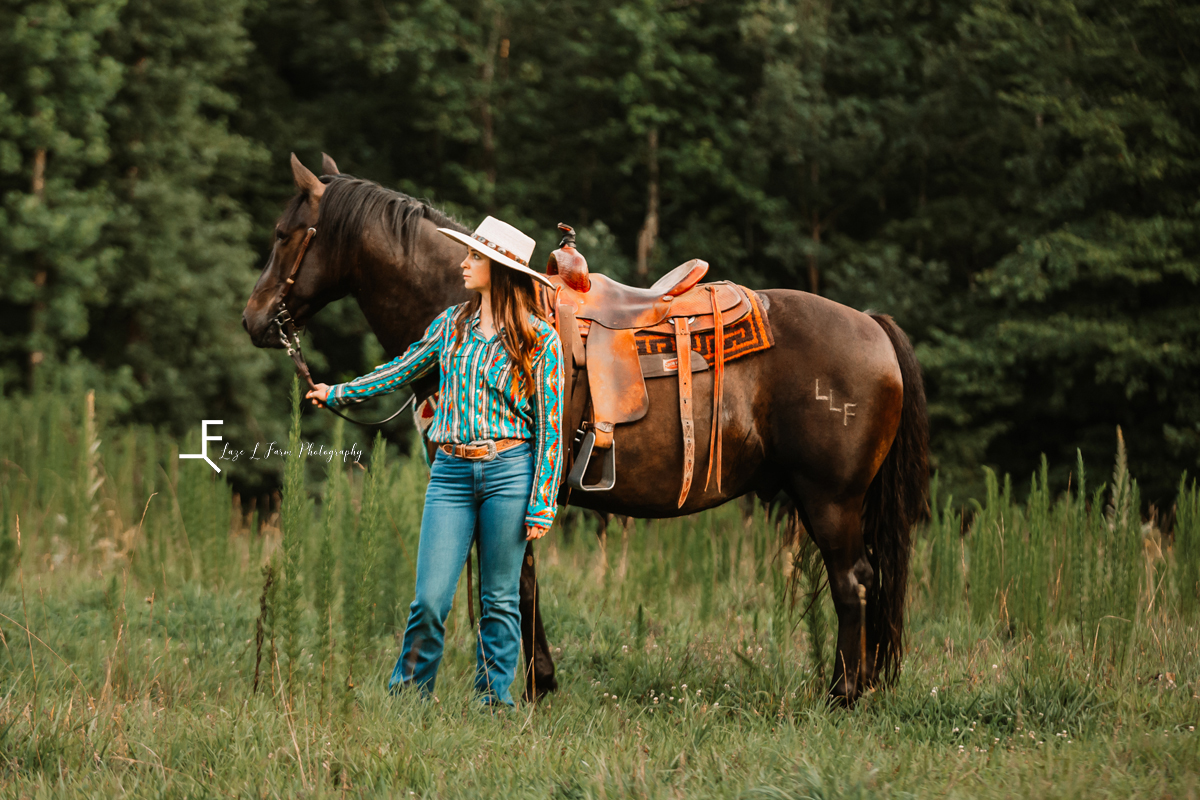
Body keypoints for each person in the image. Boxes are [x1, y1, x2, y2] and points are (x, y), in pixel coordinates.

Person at [306, 216, 564, 707]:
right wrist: (338, 392)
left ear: (500, 269)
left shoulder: (539, 340)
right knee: (429, 600)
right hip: (449, 474)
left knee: (499, 601)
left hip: (510, 473)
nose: (463, 263)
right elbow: (400, 369)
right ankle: (409, 697)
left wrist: (542, 503)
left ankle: (493, 703)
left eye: (474, 257)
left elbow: (550, 427)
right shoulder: (451, 325)